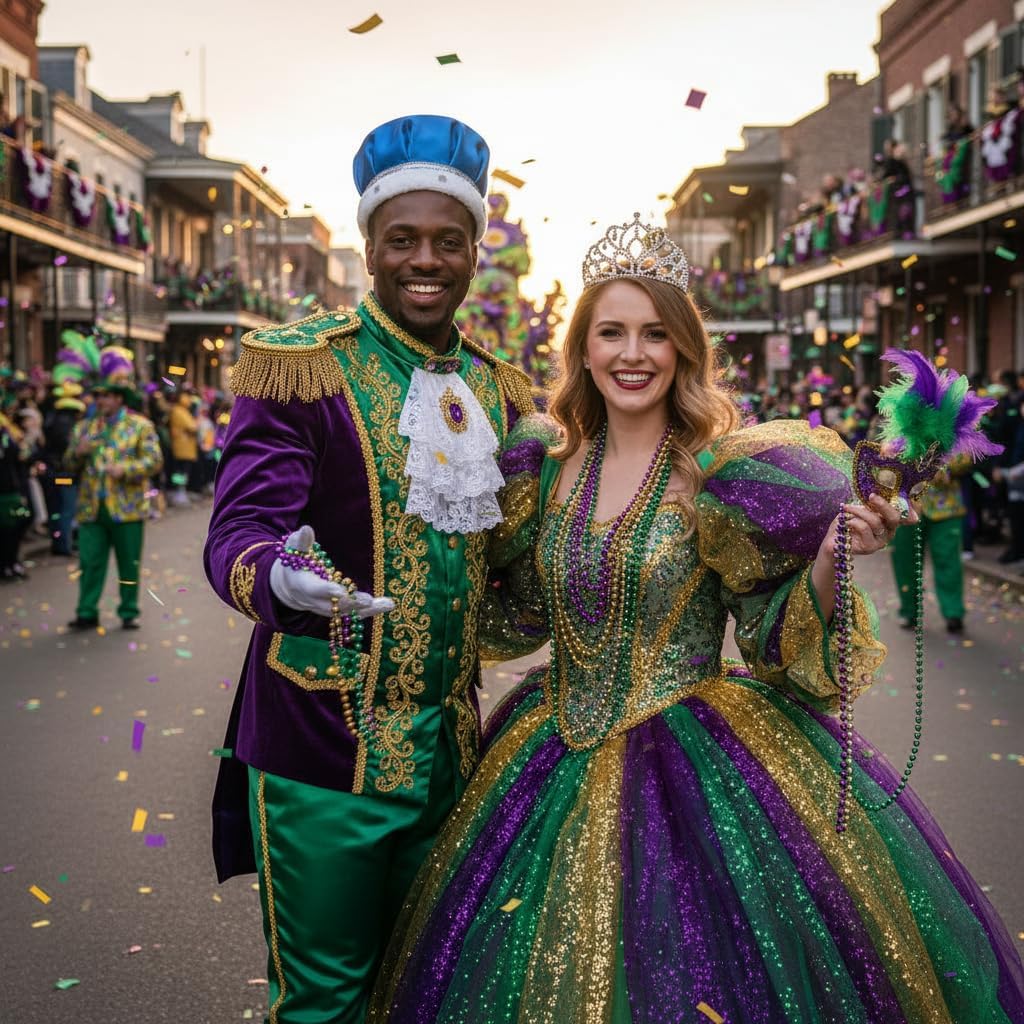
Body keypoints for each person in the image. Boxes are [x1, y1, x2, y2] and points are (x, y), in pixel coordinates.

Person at [368, 215, 1024, 1023]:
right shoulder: (541, 462)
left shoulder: (724, 475)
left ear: (682, 347)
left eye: (653, 333)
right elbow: (519, 613)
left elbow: (771, 637)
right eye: (611, 332)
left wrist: (831, 555)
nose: (632, 354)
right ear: (583, 349)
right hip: (543, 756)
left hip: (697, 767)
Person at [203, 114, 536, 1023]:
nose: (424, 260)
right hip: (323, 748)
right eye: (403, 240)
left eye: (447, 241)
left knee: (430, 992)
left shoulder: (502, 391)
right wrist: (277, 580)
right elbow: (236, 533)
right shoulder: (301, 367)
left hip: (450, 755)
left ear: (474, 252)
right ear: (370, 247)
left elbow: (512, 560)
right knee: (325, 1006)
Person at [64, 351, 163, 630]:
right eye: (97, 396)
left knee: (128, 564)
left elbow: (155, 460)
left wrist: (127, 469)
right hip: (92, 508)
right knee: (90, 562)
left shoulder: (140, 426)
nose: (100, 401)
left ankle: (128, 610)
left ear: (119, 398)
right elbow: (68, 464)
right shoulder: (85, 427)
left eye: (105, 396)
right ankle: (86, 611)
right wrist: (78, 452)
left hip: (128, 507)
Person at [891, 455, 970, 632]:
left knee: (948, 559)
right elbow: (880, 451)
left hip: (945, 505)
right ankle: (909, 610)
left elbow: (968, 454)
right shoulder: (890, 426)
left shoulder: (954, 425)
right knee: (905, 559)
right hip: (906, 505)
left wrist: (942, 468)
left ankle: (953, 612)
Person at [168, 389, 198, 506]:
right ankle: (178, 493)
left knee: (182, 471)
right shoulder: (179, 411)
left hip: (186, 447)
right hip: (182, 447)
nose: (190, 400)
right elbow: (192, 427)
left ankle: (181, 492)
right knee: (181, 471)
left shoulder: (183, 411)